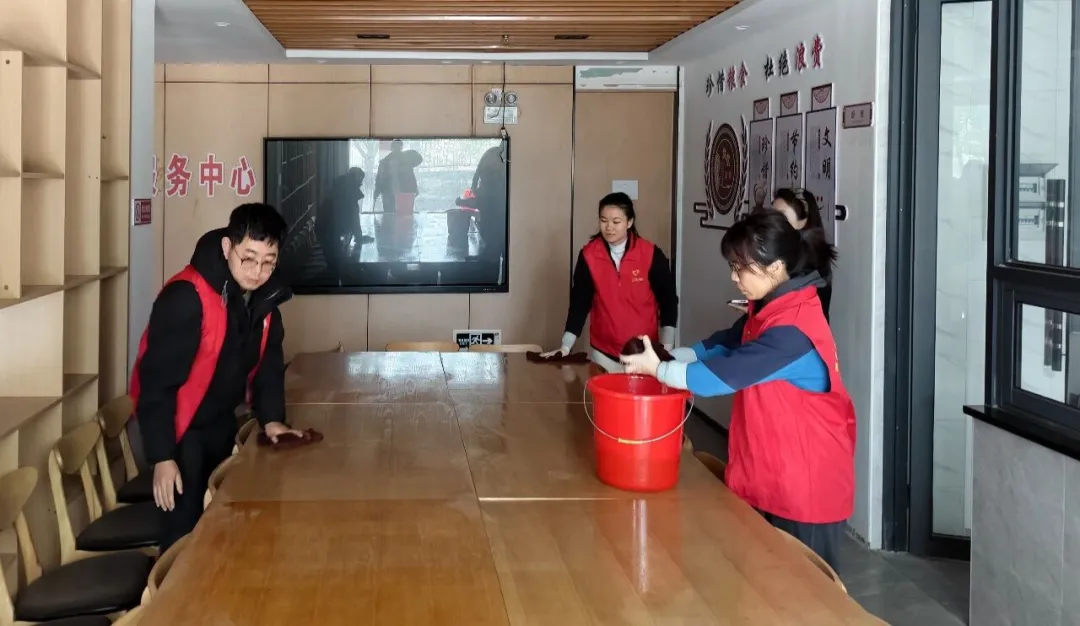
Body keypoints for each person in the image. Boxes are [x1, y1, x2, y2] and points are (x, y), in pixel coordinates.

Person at [620, 210, 856, 570]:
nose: (733, 277)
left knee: (803, 591)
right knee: (760, 583)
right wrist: (672, 356)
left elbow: (724, 375)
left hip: (806, 487)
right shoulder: (770, 309)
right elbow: (727, 343)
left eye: (740, 267)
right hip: (772, 474)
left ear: (775, 267)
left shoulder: (793, 330)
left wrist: (659, 370)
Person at [130, 203, 305, 550]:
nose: (257, 272)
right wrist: (162, 456)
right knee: (183, 536)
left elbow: (268, 364)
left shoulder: (264, 299)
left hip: (220, 423)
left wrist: (272, 420)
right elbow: (156, 384)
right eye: (248, 259)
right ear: (227, 247)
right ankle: (172, 586)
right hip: (181, 432)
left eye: (268, 262)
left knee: (218, 528)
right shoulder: (186, 297)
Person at [542, 192, 679, 372]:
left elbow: (668, 301)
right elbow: (579, 304)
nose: (609, 228)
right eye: (603, 220)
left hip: (645, 355)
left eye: (616, 222)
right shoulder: (589, 256)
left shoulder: (650, 254)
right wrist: (565, 346)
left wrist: (666, 349)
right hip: (603, 354)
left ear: (629, 222)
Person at [767, 188, 837, 319]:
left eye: (781, 216)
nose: (772, 221)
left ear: (803, 221)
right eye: (771, 215)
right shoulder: (788, 249)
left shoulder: (807, 257)